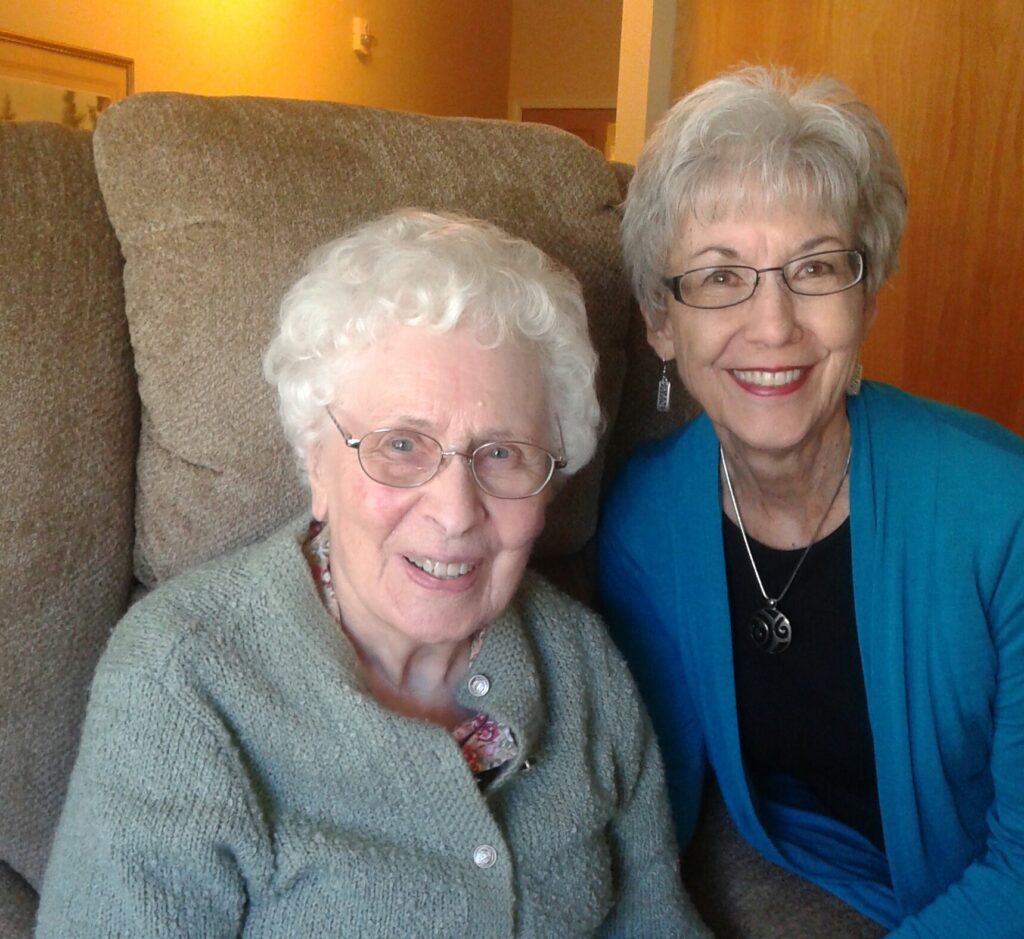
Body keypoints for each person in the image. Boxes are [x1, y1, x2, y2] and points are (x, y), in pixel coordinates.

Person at [37, 210, 707, 937]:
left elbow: (656, 922)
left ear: (549, 483)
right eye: (401, 444)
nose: (454, 513)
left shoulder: (581, 665)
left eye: (503, 453)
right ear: (315, 461)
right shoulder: (184, 682)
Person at [596, 66, 1024, 936]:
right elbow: (658, 807)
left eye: (816, 266)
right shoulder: (645, 520)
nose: (775, 323)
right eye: (720, 278)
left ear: (867, 294)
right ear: (659, 319)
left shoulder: (1002, 512)